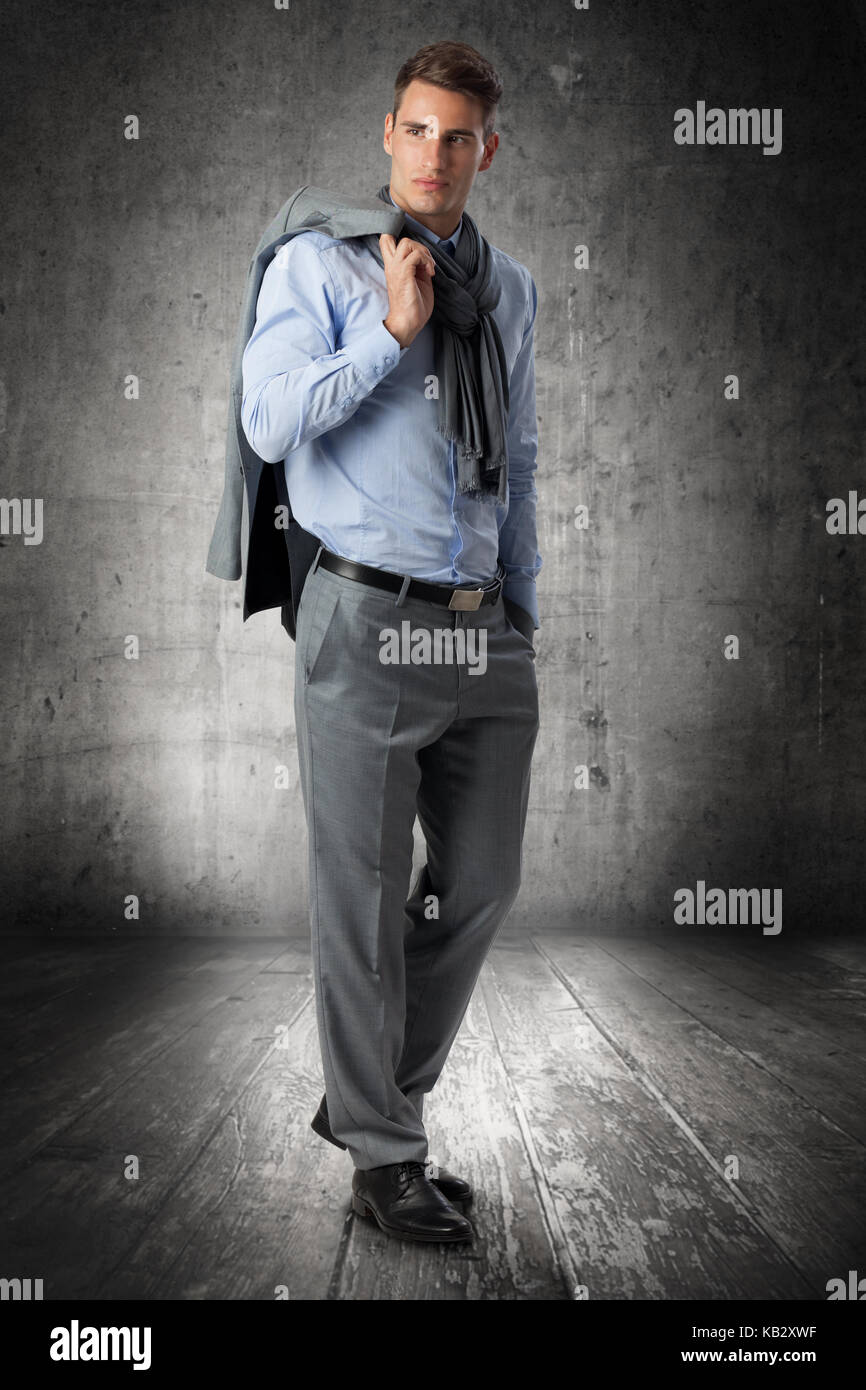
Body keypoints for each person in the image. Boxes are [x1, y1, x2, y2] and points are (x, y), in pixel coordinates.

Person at [240, 40, 541, 1243]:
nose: (433, 156)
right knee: (360, 900)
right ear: (386, 133)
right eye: (415, 131)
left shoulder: (512, 285)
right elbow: (268, 418)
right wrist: (385, 334)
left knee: (477, 886)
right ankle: (384, 1151)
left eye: (456, 137)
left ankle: (366, 1107)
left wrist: (519, 604)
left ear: (486, 149)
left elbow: (513, 455)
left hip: (479, 631)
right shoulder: (319, 267)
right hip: (363, 618)